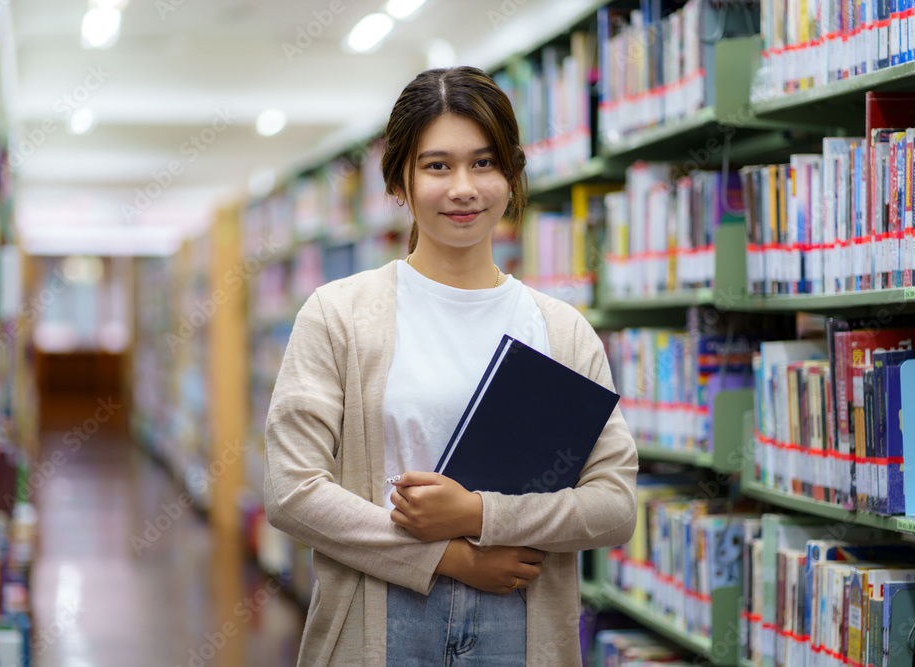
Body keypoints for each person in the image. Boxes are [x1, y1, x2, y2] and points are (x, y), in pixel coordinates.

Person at [264, 65, 638, 666]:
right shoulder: (339, 315)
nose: (463, 187)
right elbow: (291, 491)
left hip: (520, 622)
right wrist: (449, 556)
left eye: (484, 163)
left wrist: (481, 513)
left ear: (512, 176)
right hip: (379, 616)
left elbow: (614, 507)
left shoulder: (562, 330)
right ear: (400, 181)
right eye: (438, 165)